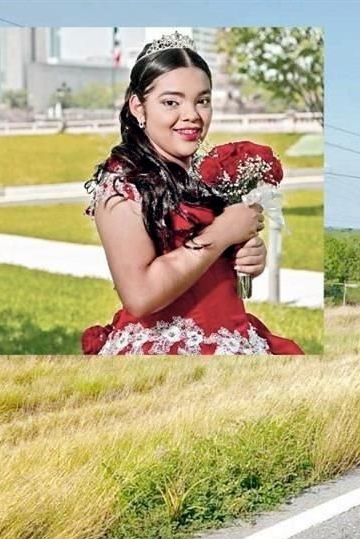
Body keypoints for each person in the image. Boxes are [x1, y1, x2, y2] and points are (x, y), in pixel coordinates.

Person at [81, 32, 304, 355]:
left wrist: (248, 256)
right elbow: (140, 296)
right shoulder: (122, 186)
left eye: (202, 100)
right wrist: (223, 233)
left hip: (232, 334)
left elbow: (211, 265)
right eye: (171, 102)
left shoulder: (206, 172)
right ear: (138, 107)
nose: (192, 115)